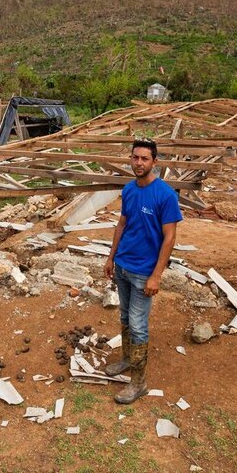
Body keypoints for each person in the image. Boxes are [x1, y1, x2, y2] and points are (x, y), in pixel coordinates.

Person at [104, 138, 182, 404]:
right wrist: (111, 257)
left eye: (144, 159)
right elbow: (122, 225)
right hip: (123, 265)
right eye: (135, 157)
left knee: (138, 325)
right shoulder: (129, 190)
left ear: (154, 162)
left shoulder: (165, 195)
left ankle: (139, 383)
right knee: (125, 318)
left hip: (143, 272)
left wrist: (156, 275)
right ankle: (127, 359)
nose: (139, 163)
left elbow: (169, 238)